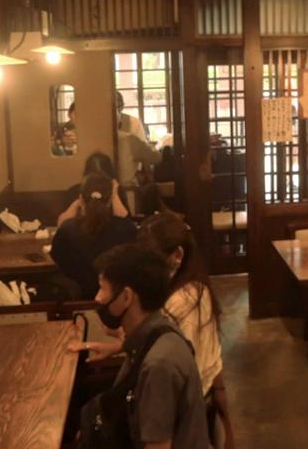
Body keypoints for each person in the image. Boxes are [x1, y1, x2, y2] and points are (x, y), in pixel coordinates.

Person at [75, 212, 236, 449]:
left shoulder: (182, 303)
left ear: (177, 256)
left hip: (188, 412)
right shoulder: (185, 295)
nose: (145, 270)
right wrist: (120, 346)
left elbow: (174, 368)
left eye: (152, 261)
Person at [50, 173, 137, 298]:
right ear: (110, 201)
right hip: (117, 299)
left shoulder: (67, 229)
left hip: (77, 300)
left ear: (81, 199)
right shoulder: (126, 228)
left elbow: (57, 258)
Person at [57, 152, 129, 227]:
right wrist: (80, 200)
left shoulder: (117, 191)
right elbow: (61, 225)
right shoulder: (74, 191)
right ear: (86, 177)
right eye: (93, 178)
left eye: (102, 178)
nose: (97, 182)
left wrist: (115, 195)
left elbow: (127, 225)